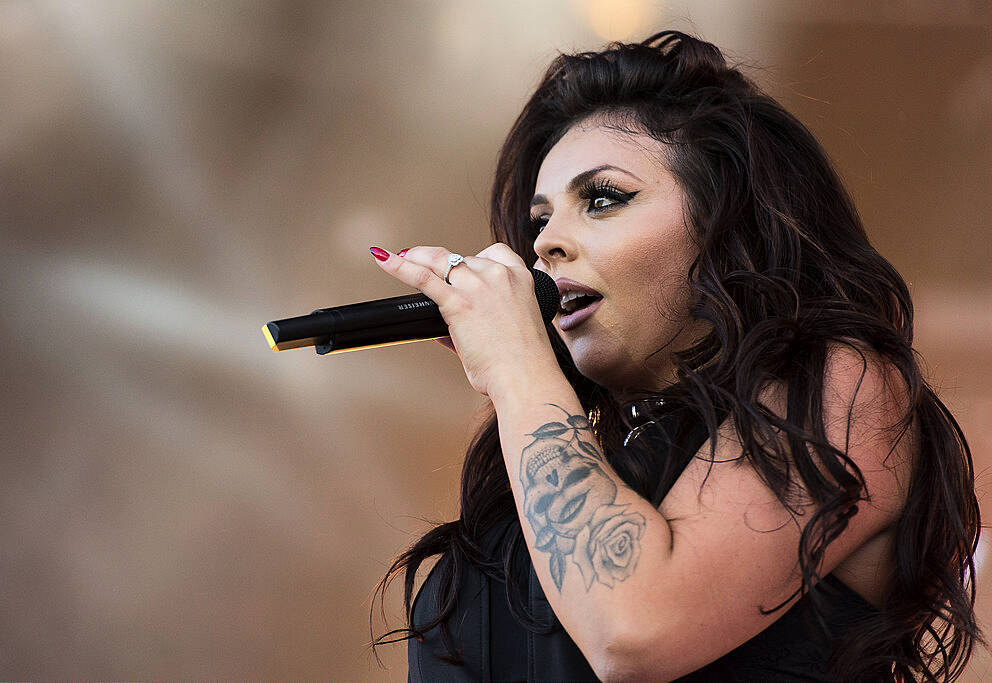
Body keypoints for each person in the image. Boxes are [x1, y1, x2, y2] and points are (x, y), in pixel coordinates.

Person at [367, 30, 981, 681]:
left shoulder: (841, 384)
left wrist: (517, 368)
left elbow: (633, 631)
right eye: (538, 221)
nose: (544, 245)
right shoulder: (559, 454)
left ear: (725, 226)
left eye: (602, 198)